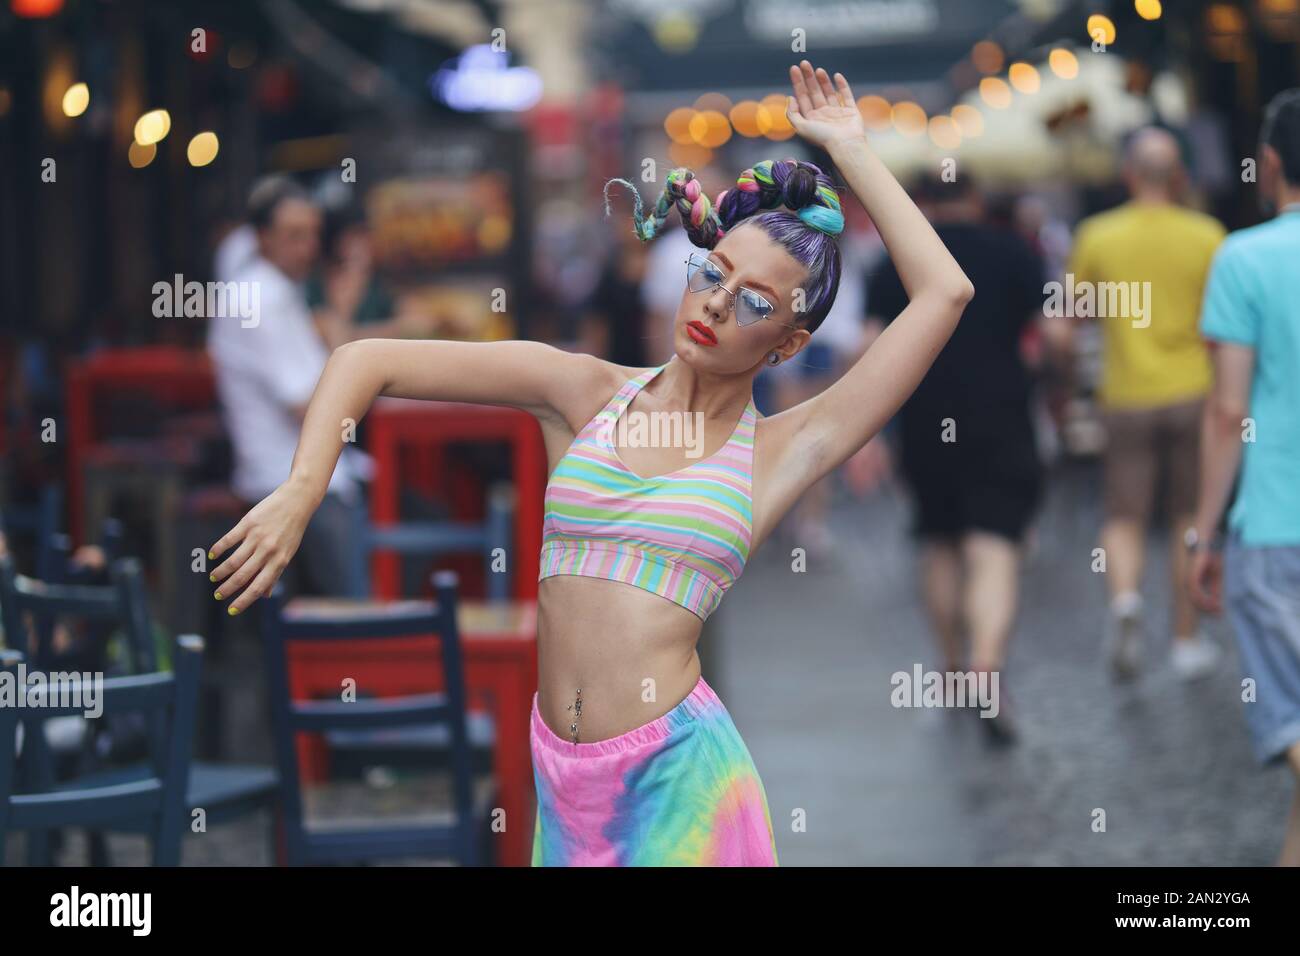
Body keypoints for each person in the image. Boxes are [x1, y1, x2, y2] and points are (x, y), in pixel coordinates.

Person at [207, 61, 973, 866]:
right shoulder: (581, 392)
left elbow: (943, 294)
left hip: (681, 783)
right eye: (712, 272)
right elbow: (365, 361)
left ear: (788, 343)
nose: (715, 302)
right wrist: (303, 488)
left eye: (753, 301)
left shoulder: (784, 448)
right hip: (565, 781)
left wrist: (851, 151)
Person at [866, 174, 1053, 744]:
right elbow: (1052, 335)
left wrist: (868, 435)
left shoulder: (892, 259)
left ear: (920, 204)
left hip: (924, 421)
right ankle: (987, 667)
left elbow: (869, 346)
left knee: (940, 541)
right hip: (1001, 416)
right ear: (974, 199)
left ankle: (950, 673)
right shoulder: (1012, 250)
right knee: (993, 544)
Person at [1068, 128, 1227, 682]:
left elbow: (1071, 321)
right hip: (1194, 393)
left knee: (1124, 515)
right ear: (1179, 174)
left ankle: (1125, 599)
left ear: (1129, 174)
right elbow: (1223, 324)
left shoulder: (1097, 234)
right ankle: (1185, 641)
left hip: (1125, 394)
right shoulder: (1207, 235)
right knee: (1188, 514)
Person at [1189, 88, 1300, 866]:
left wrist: (1204, 529)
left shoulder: (1246, 258)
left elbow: (1229, 413)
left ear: (1268, 166)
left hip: (1275, 522)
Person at [206, 175, 370, 598]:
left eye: (312, 235)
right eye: (293, 236)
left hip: (304, 478)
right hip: (291, 484)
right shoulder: (259, 297)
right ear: (262, 237)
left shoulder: (272, 289)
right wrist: (340, 316)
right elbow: (309, 404)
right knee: (357, 612)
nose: (308, 248)